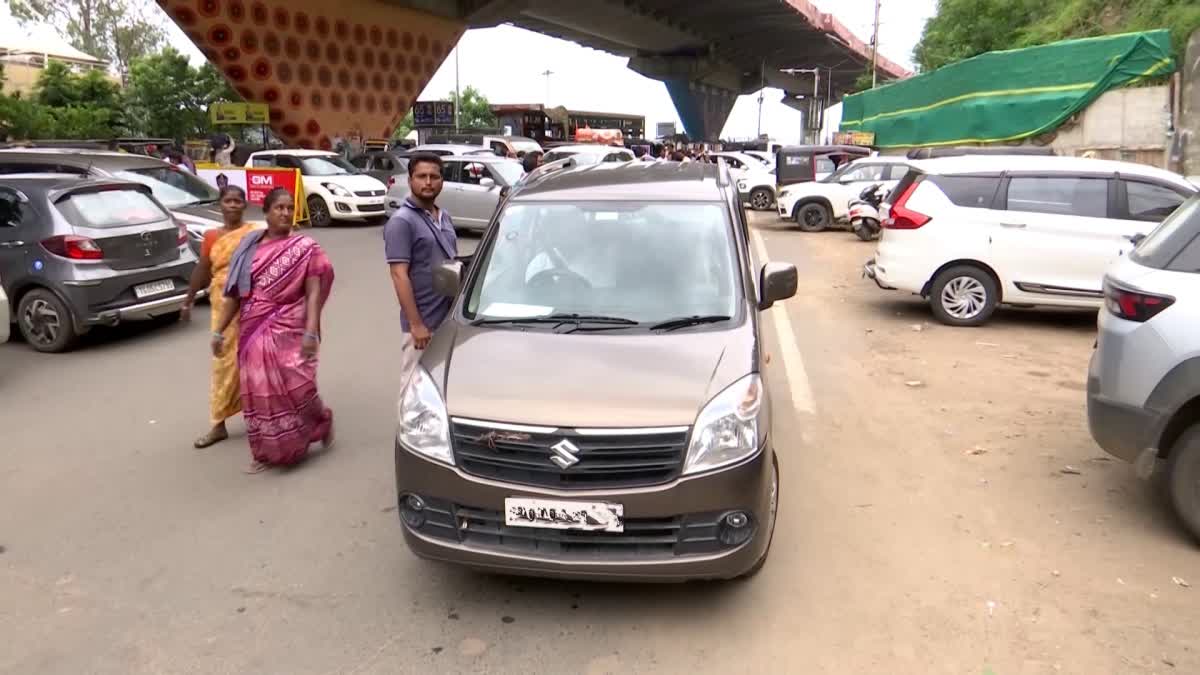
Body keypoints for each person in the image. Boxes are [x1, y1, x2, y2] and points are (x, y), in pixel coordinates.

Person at [212, 188, 335, 473]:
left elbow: (313, 291)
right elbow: (235, 295)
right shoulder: (248, 248)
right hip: (253, 328)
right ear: (266, 213)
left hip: (291, 324)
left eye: (289, 208)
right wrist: (218, 331)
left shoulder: (306, 247)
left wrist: (311, 330)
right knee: (259, 391)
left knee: (300, 387)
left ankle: (320, 419)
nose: (285, 213)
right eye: (279, 208)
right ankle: (266, 452)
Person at [182, 186, 260, 449]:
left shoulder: (254, 234)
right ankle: (218, 425)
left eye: (238, 201)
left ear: (245, 205)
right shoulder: (212, 236)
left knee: (256, 360)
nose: (233, 205)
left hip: (252, 302)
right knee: (223, 363)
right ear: (220, 205)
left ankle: (261, 418)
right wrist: (188, 299)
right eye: (228, 201)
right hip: (222, 303)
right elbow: (202, 269)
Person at [383, 153, 458, 388]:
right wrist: (416, 324)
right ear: (410, 180)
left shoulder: (444, 216)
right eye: (421, 176)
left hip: (447, 321)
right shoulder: (402, 221)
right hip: (422, 324)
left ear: (442, 181)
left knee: (440, 387)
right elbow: (399, 274)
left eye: (434, 176)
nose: (428, 182)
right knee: (414, 387)